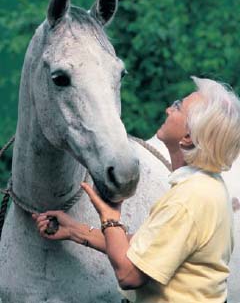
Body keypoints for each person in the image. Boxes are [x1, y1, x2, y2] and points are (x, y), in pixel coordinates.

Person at [33, 76, 240, 303]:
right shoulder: (208, 186)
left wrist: (110, 217)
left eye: (178, 107)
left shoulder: (188, 199)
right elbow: (147, 247)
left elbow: (129, 274)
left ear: (188, 137)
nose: (169, 109)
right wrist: (75, 231)